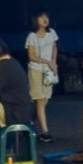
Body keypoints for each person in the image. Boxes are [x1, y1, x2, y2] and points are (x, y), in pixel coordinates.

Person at [25, 11, 58, 143]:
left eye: (46, 17)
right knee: (40, 100)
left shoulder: (52, 33)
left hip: (48, 70)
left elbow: (55, 48)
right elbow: (31, 56)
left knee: (45, 100)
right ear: (35, 20)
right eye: (41, 17)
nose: (45, 19)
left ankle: (30, 122)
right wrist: (48, 62)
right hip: (36, 70)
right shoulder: (31, 36)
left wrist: (53, 62)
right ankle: (45, 132)